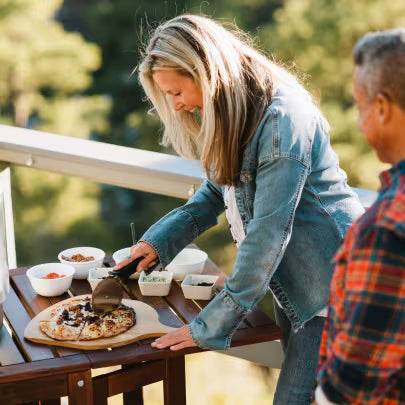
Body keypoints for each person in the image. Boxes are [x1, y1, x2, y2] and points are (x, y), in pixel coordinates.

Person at [115, 14, 364, 404]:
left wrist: (208, 325)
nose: (176, 107)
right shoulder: (236, 111)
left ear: (204, 71)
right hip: (298, 286)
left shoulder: (283, 122)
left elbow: (266, 238)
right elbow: (216, 191)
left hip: (335, 287)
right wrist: (159, 243)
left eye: (176, 93)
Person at [314, 29, 405, 404]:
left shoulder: (387, 227)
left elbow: (350, 385)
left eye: (359, 105)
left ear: (382, 108)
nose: (358, 120)